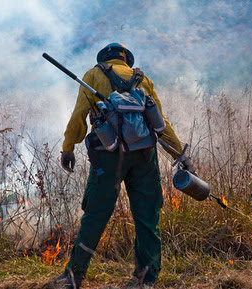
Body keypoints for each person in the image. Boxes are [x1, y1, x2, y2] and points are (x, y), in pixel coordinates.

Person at [56, 43, 194, 289]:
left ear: (104, 59)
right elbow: (161, 123)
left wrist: (68, 147)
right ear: (126, 61)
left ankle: (73, 277)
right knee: (147, 216)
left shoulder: (93, 75)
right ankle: (145, 279)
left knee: (96, 214)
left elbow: (79, 117)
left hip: (107, 156)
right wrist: (180, 156)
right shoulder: (143, 79)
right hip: (144, 155)